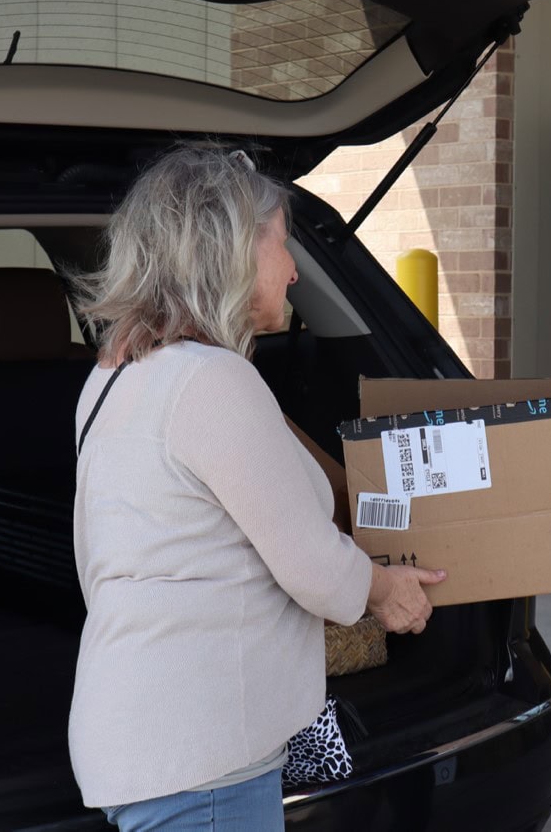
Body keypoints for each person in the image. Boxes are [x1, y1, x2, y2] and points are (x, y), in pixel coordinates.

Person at [68, 143, 445, 831]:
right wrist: (388, 590)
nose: (294, 268)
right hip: (201, 753)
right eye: (281, 243)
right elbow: (312, 567)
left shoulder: (114, 376)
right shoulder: (212, 381)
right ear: (229, 248)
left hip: (133, 733)